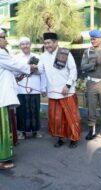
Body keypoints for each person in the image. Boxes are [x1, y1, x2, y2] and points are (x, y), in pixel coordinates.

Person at [37, 32, 81, 148]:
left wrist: (68, 85)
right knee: (56, 118)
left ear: (56, 43)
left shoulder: (65, 53)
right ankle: (60, 138)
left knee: (70, 116)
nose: (47, 45)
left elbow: (73, 71)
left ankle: (73, 138)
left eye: (49, 43)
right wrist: (42, 87)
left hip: (66, 91)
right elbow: (40, 72)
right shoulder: (43, 56)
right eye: (45, 43)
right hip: (53, 92)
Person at [0, 29, 35, 169]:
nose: (6, 41)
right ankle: (2, 160)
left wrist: (17, 75)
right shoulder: (1, 52)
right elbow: (15, 65)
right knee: (2, 129)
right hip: (1, 98)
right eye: (3, 38)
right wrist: (30, 67)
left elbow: (7, 70)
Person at [15, 37, 46, 140]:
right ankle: (21, 132)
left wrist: (43, 88)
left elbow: (42, 72)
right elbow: (14, 73)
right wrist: (27, 68)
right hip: (21, 88)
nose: (25, 46)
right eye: (23, 44)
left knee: (35, 110)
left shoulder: (37, 57)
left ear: (30, 45)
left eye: (27, 43)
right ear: (20, 46)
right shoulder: (16, 58)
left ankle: (35, 131)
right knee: (21, 111)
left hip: (34, 87)